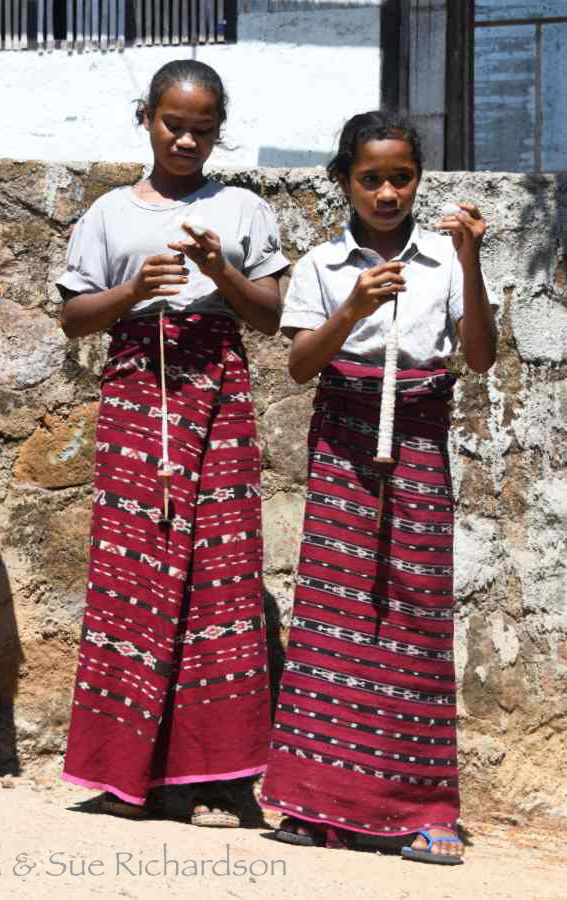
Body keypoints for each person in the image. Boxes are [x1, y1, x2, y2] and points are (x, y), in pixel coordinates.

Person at [260, 110, 497, 863]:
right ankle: (315, 801)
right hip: (343, 448)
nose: (388, 192)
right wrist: (355, 307)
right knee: (332, 617)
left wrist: (471, 261)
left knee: (416, 619)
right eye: (372, 179)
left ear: (418, 180)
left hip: (418, 449)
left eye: (402, 177)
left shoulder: (443, 257)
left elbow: (482, 357)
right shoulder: (324, 267)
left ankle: (427, 811)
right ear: (344, 183)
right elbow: (301, 366)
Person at [57, 60, 289, 826]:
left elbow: (267, 318)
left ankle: (217, 780)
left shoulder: (247, 210)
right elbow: (75, 318)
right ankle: (128, 775)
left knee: (220, 577)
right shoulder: (107, 215)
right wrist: (134, 291)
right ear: (146, 118)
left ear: (221, 130)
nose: (187, 139)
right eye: (173, 123)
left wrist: (219, 269)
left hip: (217, 391)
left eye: (203, 128)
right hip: (136, 399)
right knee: (135, 575)